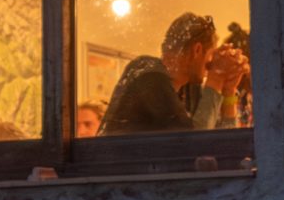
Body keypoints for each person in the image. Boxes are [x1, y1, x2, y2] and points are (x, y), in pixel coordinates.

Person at [101, 12, 250, 135]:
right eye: (210, 55)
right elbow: (193, 145)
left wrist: (228, 91)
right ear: (197, 50)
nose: (210, 65)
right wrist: (216, 78)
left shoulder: (188, 88)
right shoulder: (147, 74)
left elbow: (224, 144)